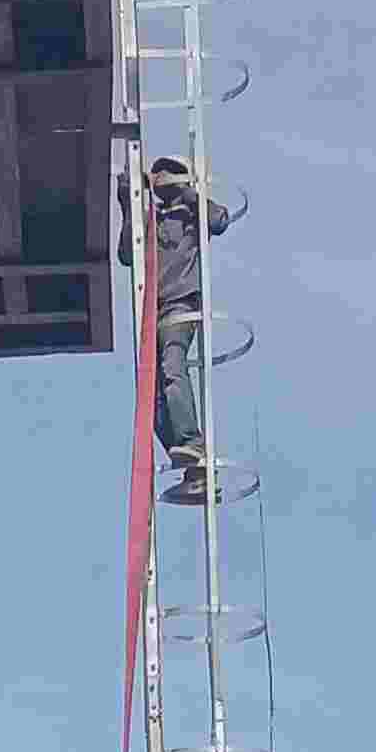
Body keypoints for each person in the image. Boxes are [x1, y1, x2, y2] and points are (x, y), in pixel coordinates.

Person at [140, 154, 234, 506]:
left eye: (168, 174)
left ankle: (192, 442)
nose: (160, 179)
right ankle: (193, 465)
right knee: (151, 397)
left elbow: (220, 220)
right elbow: (125, 253)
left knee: (172, 368)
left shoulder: (193, 215)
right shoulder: (150, 220)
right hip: (155, 310)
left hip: (181, 304)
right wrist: (126, 200)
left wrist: (188, 192)